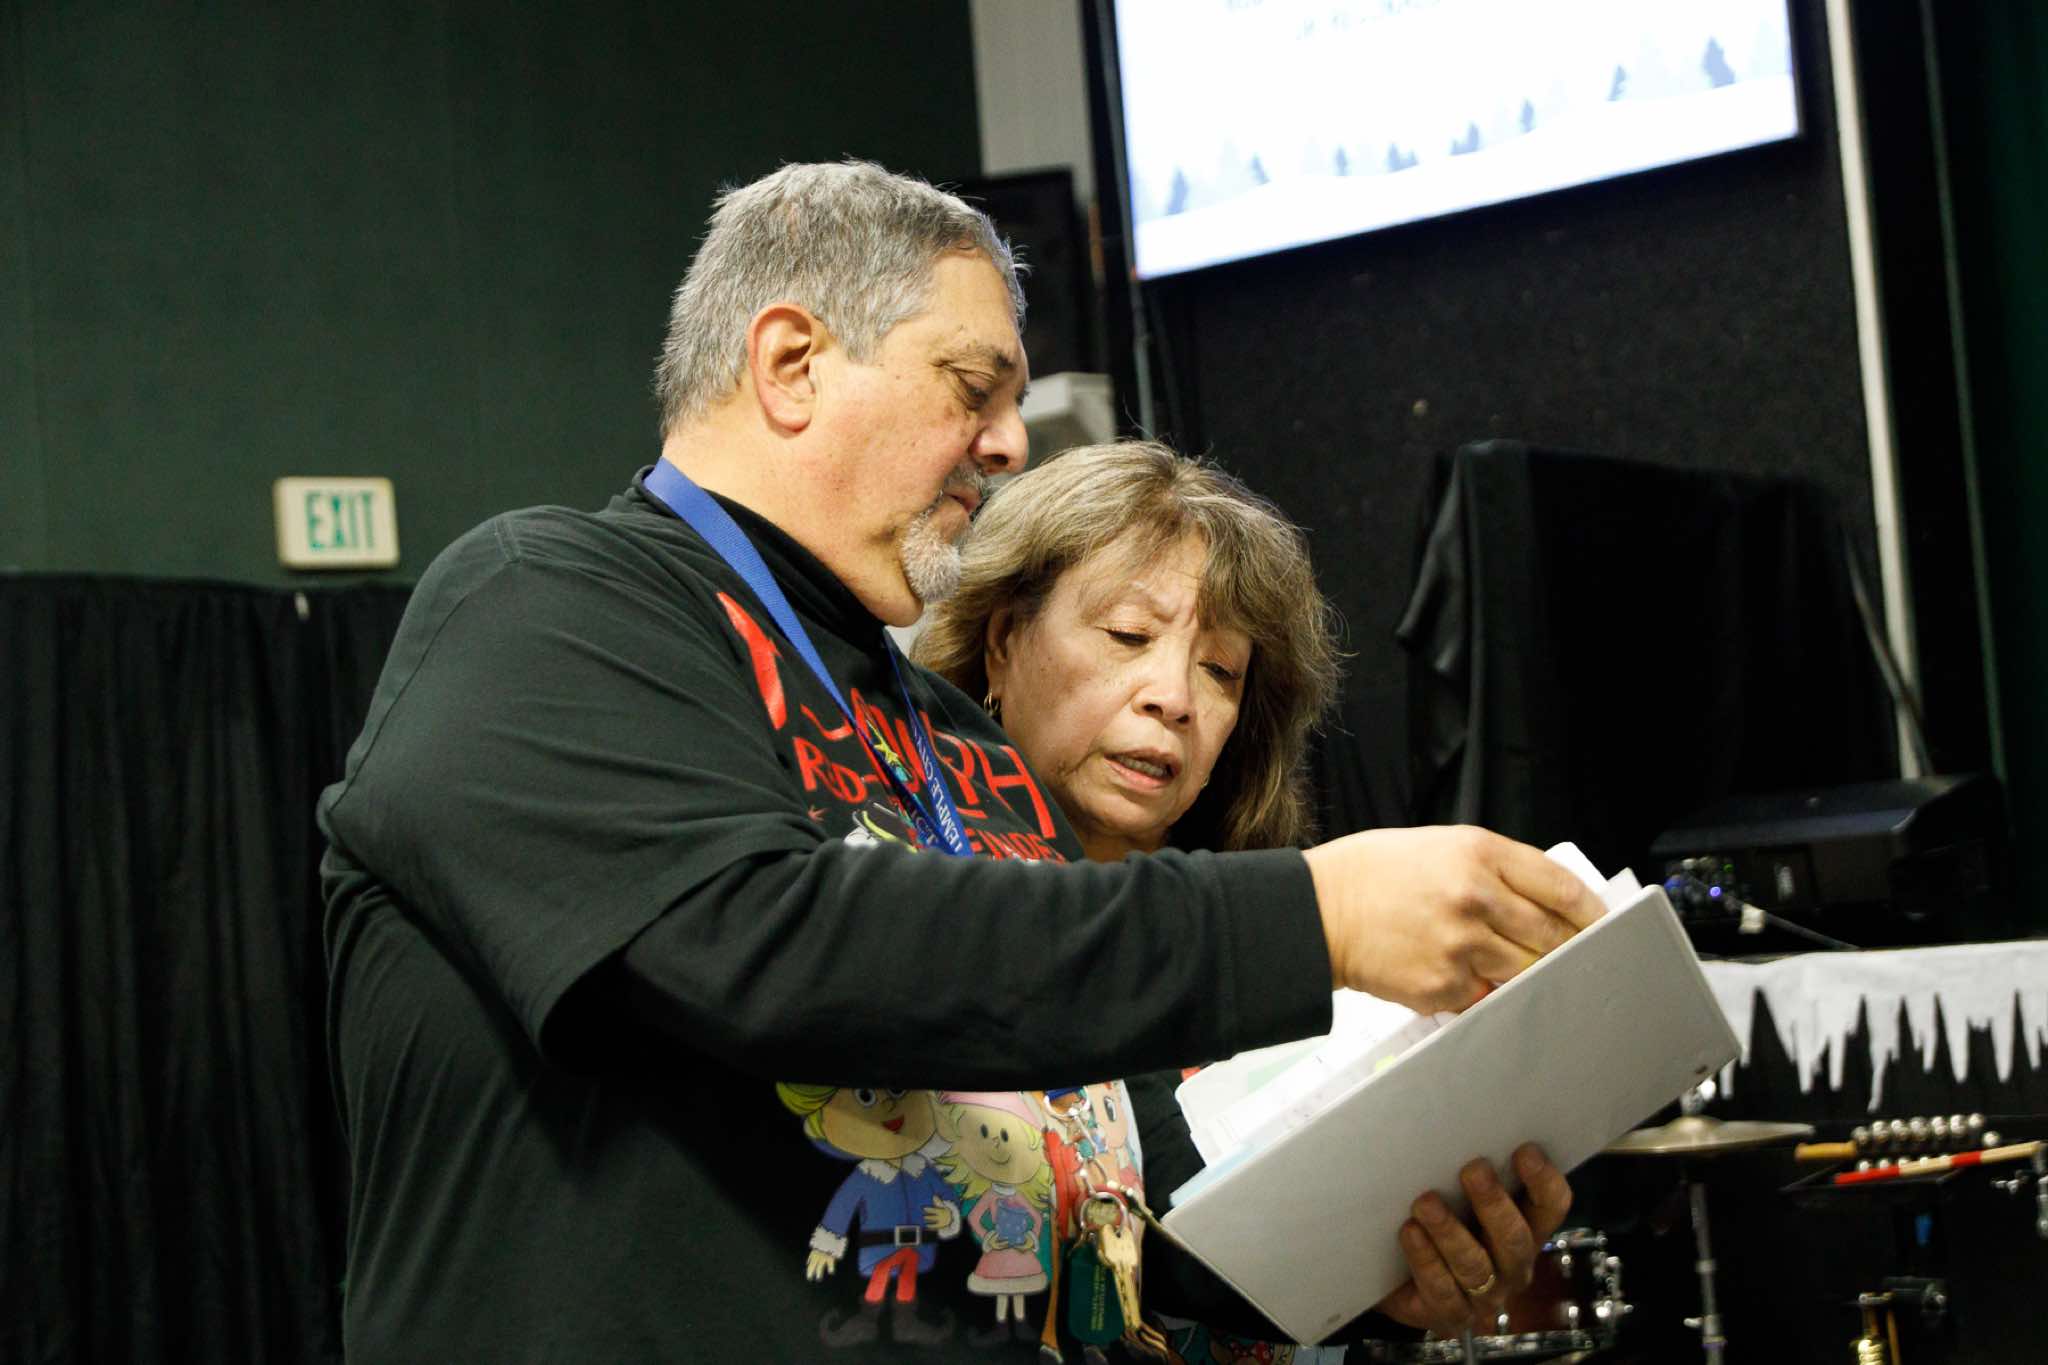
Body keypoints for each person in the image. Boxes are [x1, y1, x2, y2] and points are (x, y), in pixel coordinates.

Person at [317, 160, 1603, 1361]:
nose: (1007, 444)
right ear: (791, 364)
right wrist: (1316, 920)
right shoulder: (545, 602)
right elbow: (765, 941)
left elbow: (1127, 1192)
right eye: (971, 388)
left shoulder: (960, 747)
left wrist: (1363, 1258)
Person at [914, 440, 1571, 1355]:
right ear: (1002, 642)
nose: (1174, 697)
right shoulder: (914, 906)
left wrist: (1401, 1273)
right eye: (1128, 635)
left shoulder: (1295, 946)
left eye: (1220, 670)